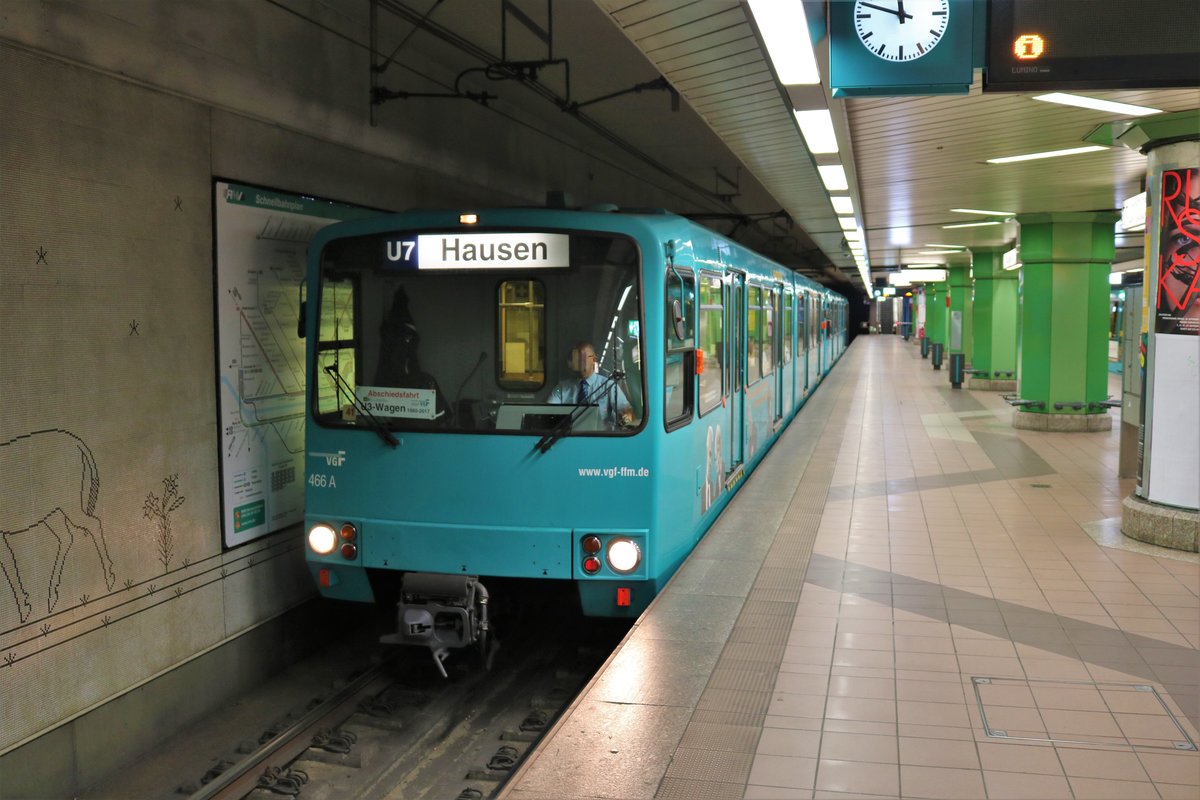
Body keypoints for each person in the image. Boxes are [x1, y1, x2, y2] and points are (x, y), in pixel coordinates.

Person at [548, 341, 633, 427]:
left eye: (582, 357)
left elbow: (626, 411)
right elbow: (549, 411)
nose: (577, 361)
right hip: (568, 437)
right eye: (575, 357)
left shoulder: (608, 386)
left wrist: (625, 416)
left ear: (594, 360)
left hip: (600, 437)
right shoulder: (562, 388)